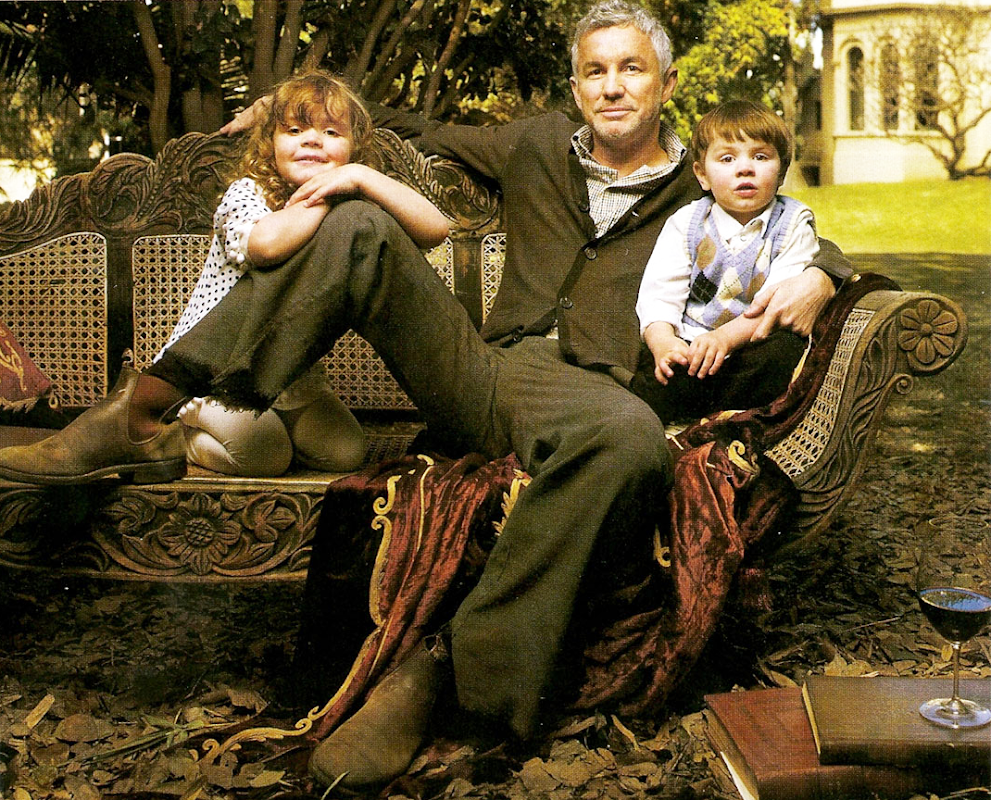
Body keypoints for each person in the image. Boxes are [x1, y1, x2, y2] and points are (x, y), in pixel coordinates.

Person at [0, 0, 851, 789]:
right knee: (357, 223)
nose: (612, 87)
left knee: (628, 441)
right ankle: (139, 412)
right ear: (574, 86)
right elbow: (411, 127)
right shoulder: (535, 144)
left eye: (631, 69)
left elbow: (794, 230)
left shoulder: (702, 181)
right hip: (483, 369)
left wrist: (823, 275)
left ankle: (442, 675)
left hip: (597, 394)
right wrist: (276, 110)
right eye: (595, 71)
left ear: (665, 83)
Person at [163, 71, 437, 476]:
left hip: (290, 376)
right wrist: (327, 196)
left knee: (344, 452)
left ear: (353, 149)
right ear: (270, 143)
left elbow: (435, 229)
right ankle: (175, 439)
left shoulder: (353, 191)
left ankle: (274, 431)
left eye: (331, 132)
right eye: (294, 130)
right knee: (264, 455)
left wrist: (361, 177)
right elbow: (266, 245)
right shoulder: (247, 193)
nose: (312, 140)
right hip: (216, 375)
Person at [630, 99, 817, 424]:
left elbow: (775, 306)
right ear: (702, 175)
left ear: (782, 171)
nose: (745, 168)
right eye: (727, 158)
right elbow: (659, 295)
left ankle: (731, 417)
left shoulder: (792, 224)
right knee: (657, 372)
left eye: (760, 157)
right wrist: (665, 344)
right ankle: (704, 415)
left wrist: (724, 340)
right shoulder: (688, 223)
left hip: (751, 347)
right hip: (693, 345)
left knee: (784, 350)